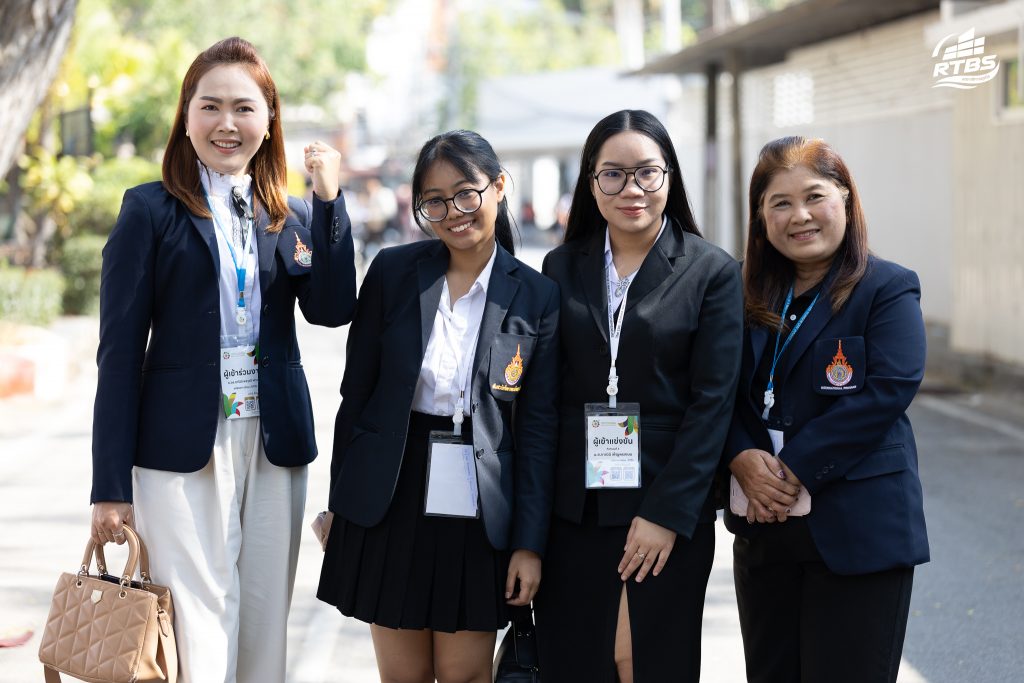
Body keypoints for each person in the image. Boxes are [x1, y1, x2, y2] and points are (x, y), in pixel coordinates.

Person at [89, 36, 356, 683]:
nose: (226, 124)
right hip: (180, 445)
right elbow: (119, 353)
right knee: (198, 623)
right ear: (186, 117)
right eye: (210, 106)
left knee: (264, 621)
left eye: (244, 108)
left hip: (273, 438)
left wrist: (329, 204)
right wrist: (109, 486)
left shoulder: (287, 215)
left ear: (269, 119)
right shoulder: (149, 210)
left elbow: (331, 307)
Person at [316, 130, 559, 683]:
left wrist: (529, 544)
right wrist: (339, 504)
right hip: (390, 492)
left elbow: (538, 432)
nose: (453, 213)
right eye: (435, 201)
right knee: (402, 676)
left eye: (466, 193)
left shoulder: (537, 295)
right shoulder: (393, 273)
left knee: (465, 676)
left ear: (499, 187)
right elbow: (357, 398)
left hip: (480, 501)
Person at [535, 109, 744, 682]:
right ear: (591, 182)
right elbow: (545, 399)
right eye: (613, 174)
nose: (632, 189)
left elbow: (713, 405)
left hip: (663, 502)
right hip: (573, 510)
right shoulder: (561, 265)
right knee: (577, 663)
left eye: (647, 172)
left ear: (669, 176)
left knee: (645, 662)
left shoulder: (712, 271)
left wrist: (665, 514)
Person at [724, 136, 929, 683]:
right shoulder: (739, 291)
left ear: (845, 197)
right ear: (760, 216)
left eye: (814, 196)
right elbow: (713, 388)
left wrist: (792, 469)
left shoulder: (886, 288)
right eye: (780, 203)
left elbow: (888, 389)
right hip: (764, 530)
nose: (800, 216)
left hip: (858, 529)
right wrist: (740, 455)